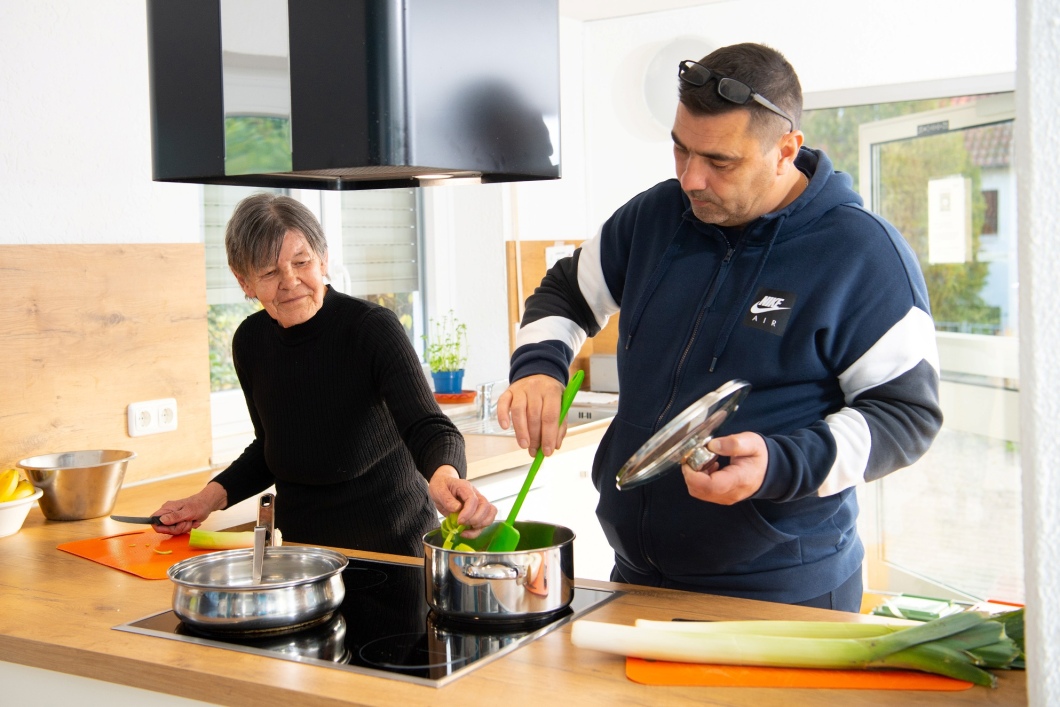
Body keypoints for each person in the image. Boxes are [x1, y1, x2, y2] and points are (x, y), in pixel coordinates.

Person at [497, 43, 942, 611]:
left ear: (786, 150)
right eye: (680, 151)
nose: (690, 178)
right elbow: (565, 290)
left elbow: (907, 414)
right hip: (636, 578)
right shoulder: (654, 218)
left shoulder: (861, 253)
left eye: (720, 162)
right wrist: (540, 368)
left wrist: (782, 464)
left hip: (781, 594)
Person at [151, 193, 496, 556]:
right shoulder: (251, 341)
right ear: (244, 282)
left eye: (302, 262)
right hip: (301, 559)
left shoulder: (371, 329)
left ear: (324, 259)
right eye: (269, 272)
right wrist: (203, 500)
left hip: (391, 553)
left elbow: (429, 427)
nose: (290, 281)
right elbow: (271, 445)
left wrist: (444, 475)